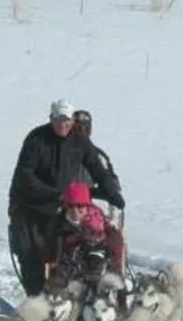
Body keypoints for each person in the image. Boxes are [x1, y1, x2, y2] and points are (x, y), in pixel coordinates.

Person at [7, 97, 123, 296]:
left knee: (64, 253)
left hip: (62, 208)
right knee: (30, 255)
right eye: (58, 120)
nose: (63, 125)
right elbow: (24, 176)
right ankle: (35, 299)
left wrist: (112, 192)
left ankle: (63, 297)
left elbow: (97, 168)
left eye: (67, 121)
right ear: (51, 118)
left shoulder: (79, 141)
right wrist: (54, 194)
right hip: (30, 206)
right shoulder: (37, 139)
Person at [56, 180, 126, 279]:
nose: (75, 211)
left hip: (96, 248)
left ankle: (115, 277)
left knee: (113, 241)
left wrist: (84, 236)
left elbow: (96, 233)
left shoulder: (93, 218)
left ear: (87, 205)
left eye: (80, 206)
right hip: (71, 257)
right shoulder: (61, 220)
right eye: (71, 206)